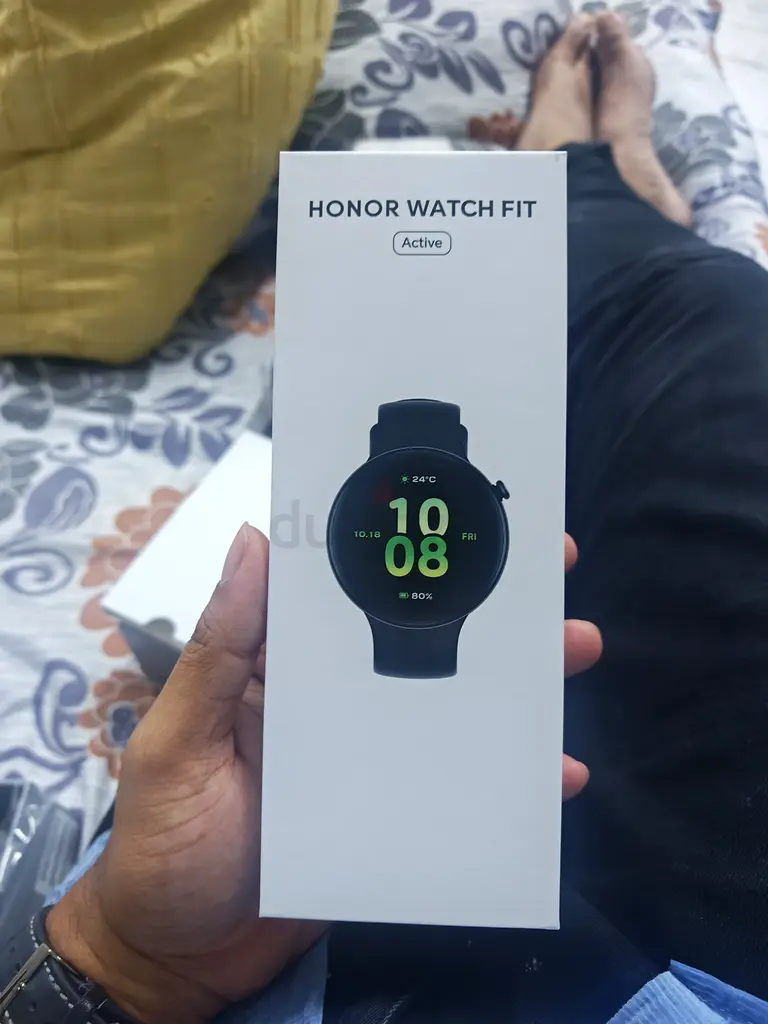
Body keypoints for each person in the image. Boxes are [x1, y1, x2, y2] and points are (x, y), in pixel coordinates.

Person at [4, 10, 768, 1024]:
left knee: (338, 396)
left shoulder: (193, 910)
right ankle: (603, 196)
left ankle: (576, 192)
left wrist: (127, 959)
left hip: (262, 943)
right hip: (669, 949)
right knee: (718, 325)